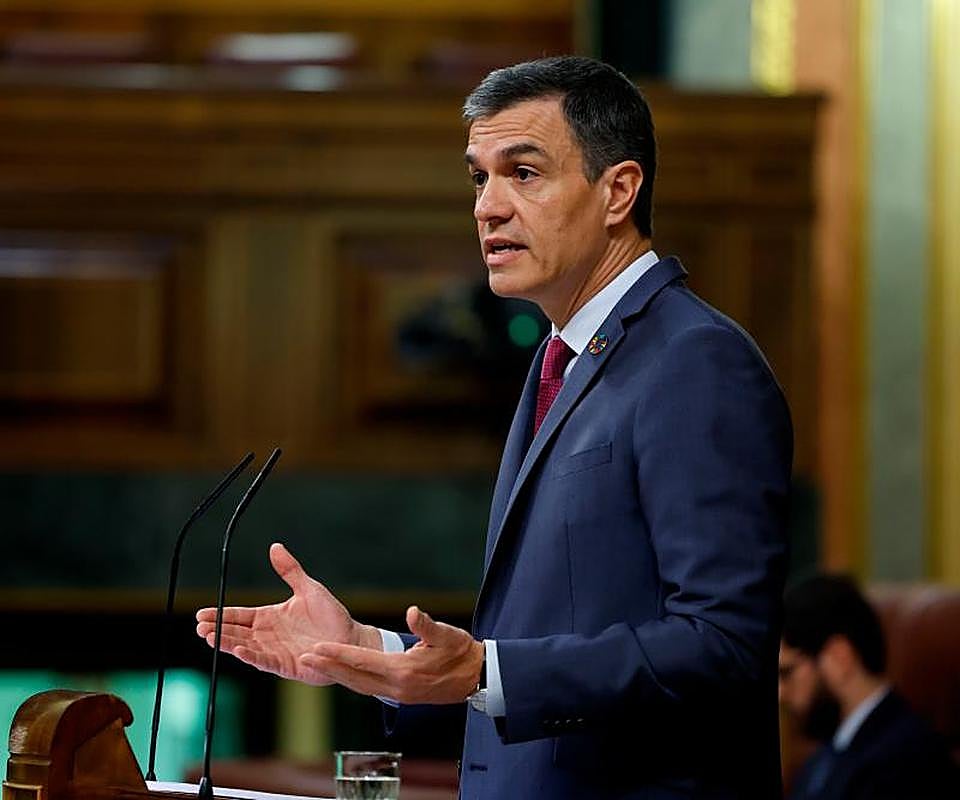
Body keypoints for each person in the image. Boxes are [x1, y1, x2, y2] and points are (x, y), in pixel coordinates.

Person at [197, 55, 793, 798]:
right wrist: (369, 650)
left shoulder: (695, 362)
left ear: (618, 191)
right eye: (479, 177)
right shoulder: (558, 358)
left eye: (524, 173)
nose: (487, 207)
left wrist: (485, 670)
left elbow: (723, 647)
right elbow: (536, 663)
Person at [780, 575, 960, 800]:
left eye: (787, 672)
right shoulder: (824, 757)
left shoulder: (905, 760)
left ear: (839, 656)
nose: (780, 693)